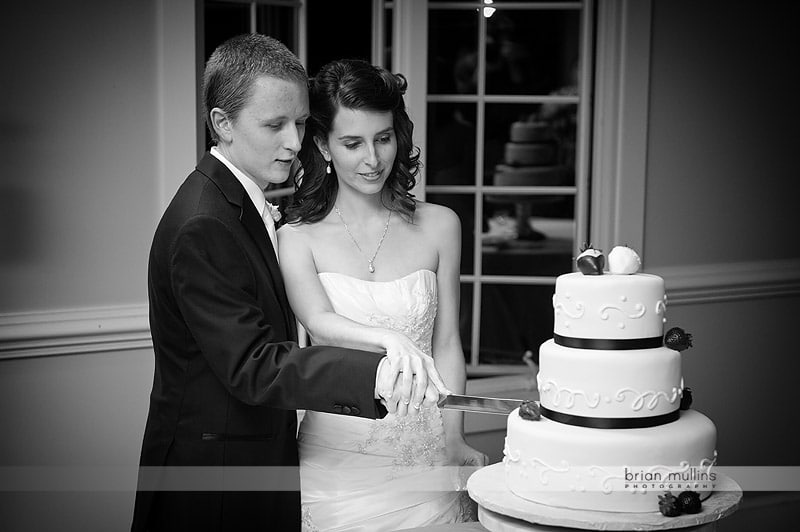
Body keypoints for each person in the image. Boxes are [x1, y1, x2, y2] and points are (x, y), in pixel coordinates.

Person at [131, 35, 448, 532]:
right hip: (215, 482)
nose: (294, 142)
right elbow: (254, 367)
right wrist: (376, 367)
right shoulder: (203, 222)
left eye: (300, 123)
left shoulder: (240, 204)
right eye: (275, 125)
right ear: (222, 123)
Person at [278, 58, 488, 531]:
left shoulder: (441, 225)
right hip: (335, 462)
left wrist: (454, 437)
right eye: (352, 143)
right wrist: (388, 340)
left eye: (383, 138)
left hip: (425, 451)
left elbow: (447, 343)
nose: (372, 159)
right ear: (322, 145)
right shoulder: (297, 237)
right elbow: (317, 320)